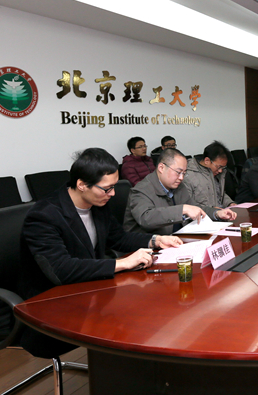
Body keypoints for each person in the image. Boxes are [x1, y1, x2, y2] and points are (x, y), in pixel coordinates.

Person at [18, 148, 183, 357]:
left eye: (113, 187)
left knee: (151, 310)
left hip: (90, 289)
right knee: (136, 321)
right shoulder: (44, 216)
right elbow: (61, 270)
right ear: (81, 185)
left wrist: (155, 240)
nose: (112, 194)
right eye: (107, 188)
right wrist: (122, 263)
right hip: (53, 301)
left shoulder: (97, 204)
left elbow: (118, 237)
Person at [124, 148, 234, 234]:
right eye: (178, 172)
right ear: (161, 168)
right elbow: (146, 218)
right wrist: (182, 209)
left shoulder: (178, 186)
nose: (181, 178)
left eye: (184, 173)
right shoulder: (141, 190)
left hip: (178, 240)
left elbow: (194, 208)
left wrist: (217, 213)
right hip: (147, 248)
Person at [183, 140, 238, 213]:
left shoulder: (217, 174)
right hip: (203, 216)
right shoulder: (188, 176)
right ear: (207, 161)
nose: (220, 171)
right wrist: (212, 211)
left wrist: (230, 203)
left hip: (220, 213)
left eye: (223, 167)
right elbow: (188, 205)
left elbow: (220, 194)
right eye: (219, 167)